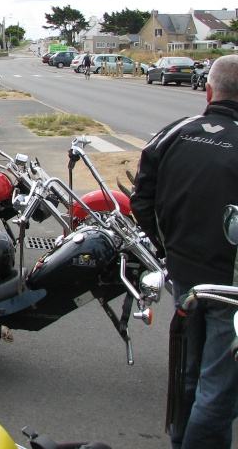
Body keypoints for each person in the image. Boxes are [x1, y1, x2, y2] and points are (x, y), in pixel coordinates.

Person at [131, 54, 238, 449]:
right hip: (231, 285)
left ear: (208, 91)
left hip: (186, 277)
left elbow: (141, 201)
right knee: (218, 385)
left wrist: (168, 250)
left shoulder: (174, 132)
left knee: (190, 372)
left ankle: (181, 439)